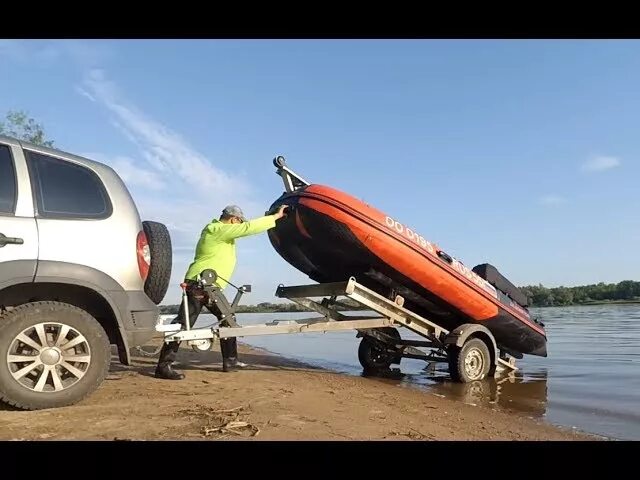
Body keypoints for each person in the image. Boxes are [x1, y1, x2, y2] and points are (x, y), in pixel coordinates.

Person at [155, 203, 288, 380]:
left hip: (207, 284)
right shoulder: (216, 229)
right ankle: (163, 367)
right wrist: (276, 217)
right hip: (201, 284)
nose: (239, 226)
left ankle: (231, 361)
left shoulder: (222, 234)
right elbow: (249, 228)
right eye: (239, 222)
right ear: (234, 219)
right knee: (185, 324)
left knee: (227, 319)